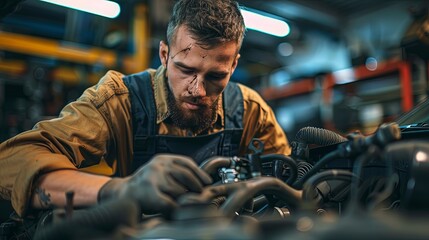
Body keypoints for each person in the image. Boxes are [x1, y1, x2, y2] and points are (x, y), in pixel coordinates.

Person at [0, 0, 290, 219]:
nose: (198, 90)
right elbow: (10, 164)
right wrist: (120, 191)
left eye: (216, 76)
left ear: (234, 65)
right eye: (185, 70)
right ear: (164, 55)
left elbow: (291, 178)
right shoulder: (121, 101)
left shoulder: (250, 111)